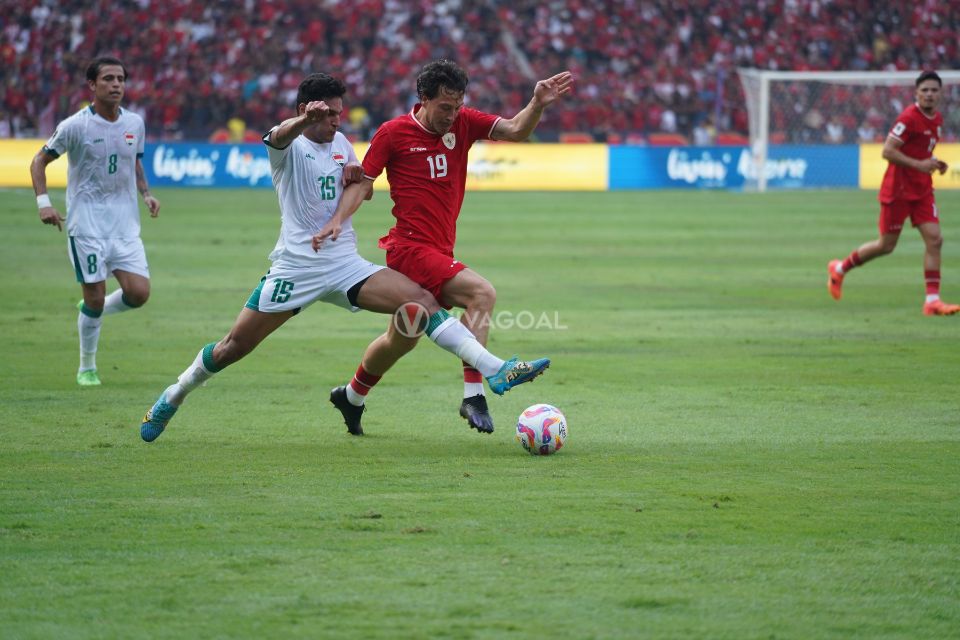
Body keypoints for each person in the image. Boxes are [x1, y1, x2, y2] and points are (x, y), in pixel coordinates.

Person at [139, 73, 548, 442]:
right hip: (297, 268)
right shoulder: (287, 146)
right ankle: (173, 395)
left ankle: (494, 369)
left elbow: (360, 186)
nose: (337, 120)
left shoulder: (340, 144)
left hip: (344, 264)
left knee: (420, 305)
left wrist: (348, 203)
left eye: (338, 112)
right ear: (306, 110)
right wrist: (302, 122)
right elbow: (278, 135)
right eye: (328, 113)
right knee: (232, 347)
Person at [312, 59, 572, 433]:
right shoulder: (393, 133)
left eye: (457, 106)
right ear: (423, 99)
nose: (452, 116)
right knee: (481, 293)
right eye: (444, 108)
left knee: (400, 340)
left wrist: (537, 103)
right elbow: (363, 184)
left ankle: (351, 397)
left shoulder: (464, 122)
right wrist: (339, 217)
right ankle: (474, 394)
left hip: (438, 252)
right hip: (409, 250)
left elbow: (516, 130)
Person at [30, 55, 161, 386]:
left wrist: (146, 194)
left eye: (120, 78)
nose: (116, 84)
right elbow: (38, 162)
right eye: (108, 79)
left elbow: (134, 163)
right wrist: (44, 203)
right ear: (92, 85)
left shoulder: (135, 124)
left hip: (125, 224)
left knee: (139, 293)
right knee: (94, 296)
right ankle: (86, 366)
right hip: (86, 225)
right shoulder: (75, 126)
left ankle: (94, 308)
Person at [827, 71, 955, 315]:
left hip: (922, 189)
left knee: (935, 240)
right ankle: (840, 269)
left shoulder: (936, 118)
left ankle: (932, 301)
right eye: (925, 90)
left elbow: (919, 150)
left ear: (941, 93)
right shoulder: (908, 117)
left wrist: (934, 162)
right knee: (886, 246)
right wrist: (920, 165)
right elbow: (888, 151)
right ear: (916, 93)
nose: (929, 94)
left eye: (934, 90)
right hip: (898, 191)